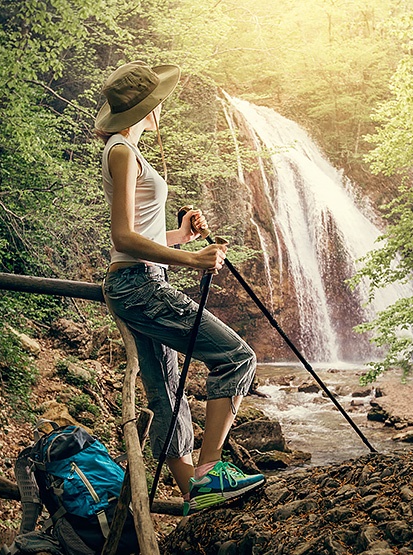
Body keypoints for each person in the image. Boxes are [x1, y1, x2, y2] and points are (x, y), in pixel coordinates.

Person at [94, 61, 265, 516]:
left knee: (166, 391)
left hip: (135, 280)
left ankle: (194, 489)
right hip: (138, 283)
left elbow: (140, 236)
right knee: (236, 357)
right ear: (148, 107)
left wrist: (181, 238)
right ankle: (210, 471)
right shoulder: (123, 152)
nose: (161, 106)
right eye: (157, 100)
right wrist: (194, 259)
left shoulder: (125, 148)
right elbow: (122, 238)